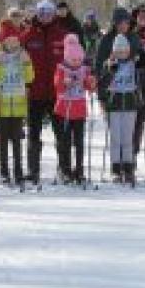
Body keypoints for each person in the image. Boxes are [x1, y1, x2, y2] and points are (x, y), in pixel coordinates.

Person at [22, 0, 69, 184]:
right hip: (34, 93)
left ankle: (64, 169)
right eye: (41, 13)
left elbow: (73, 60)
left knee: (62, 133)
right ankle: (33, 171)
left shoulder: (63, 35)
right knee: (34, 133)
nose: (45, 16)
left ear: (53, 14)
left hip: (58, 94)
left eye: (48, 12)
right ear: (37, 14)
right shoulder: (28, 36)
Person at [0, 19, 35, 185]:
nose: (13, 43)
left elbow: (30, 78)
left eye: (15, 39)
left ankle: (18, 171)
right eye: (9, 40)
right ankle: (4, 172)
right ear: (3, 40)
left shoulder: (22, 53)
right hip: (1, 103)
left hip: (18, 103)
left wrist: (27, 62)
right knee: (3, 139)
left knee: (17, 140)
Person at [53, 34, 96, 184]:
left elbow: (89, 86)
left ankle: (79, 170)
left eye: (79, 60)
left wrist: (90, 82)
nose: (77, 63)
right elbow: (57, 86)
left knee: (79, 142)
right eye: (73, 60)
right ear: (67, 58)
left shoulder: (84, 69)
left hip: (79, 110)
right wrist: (65, 82)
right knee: (65, 141)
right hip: (64, 109)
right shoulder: (61, 68)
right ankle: (65, 169)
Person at [100, 33, 141, 184]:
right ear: (114, 51)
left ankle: (129, 167)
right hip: (114, 105)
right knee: (116, 138)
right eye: (119, 50)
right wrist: (111, 70)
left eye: (124, 50)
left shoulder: (133, 64)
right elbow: (102, 84)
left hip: (130, 104)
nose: (122, 53)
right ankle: (116, 169)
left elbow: (140, 80)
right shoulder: (109, 63)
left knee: (128, 138)